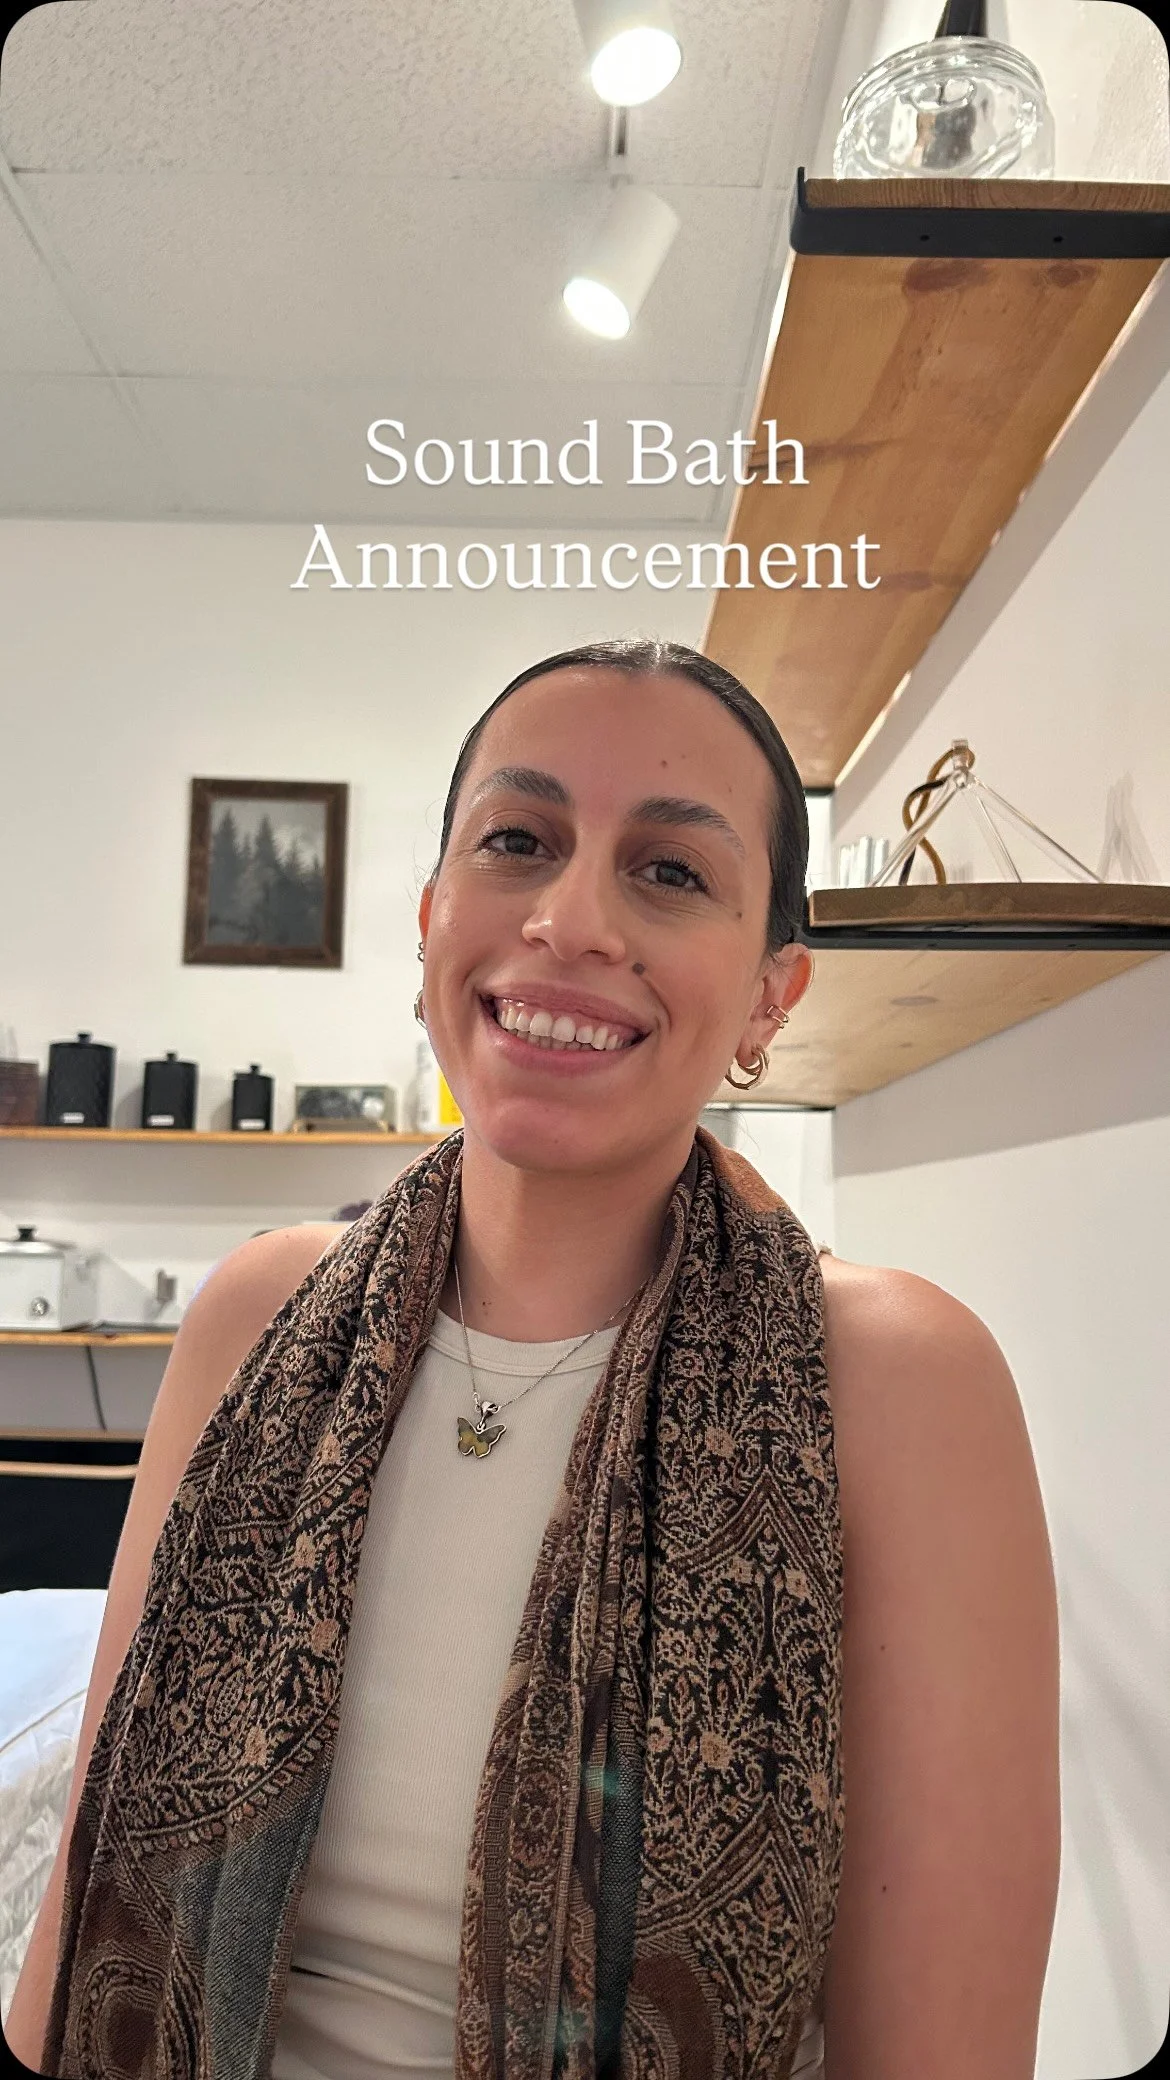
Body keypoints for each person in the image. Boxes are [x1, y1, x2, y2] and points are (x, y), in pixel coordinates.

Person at [7, 639, 1060, 2080]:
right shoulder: (254, 1315)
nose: (569, 922)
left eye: (670, 871)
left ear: (771, 994)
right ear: (432, 915)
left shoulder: (898, 1384)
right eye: (518, 842)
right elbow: (87, 1881)